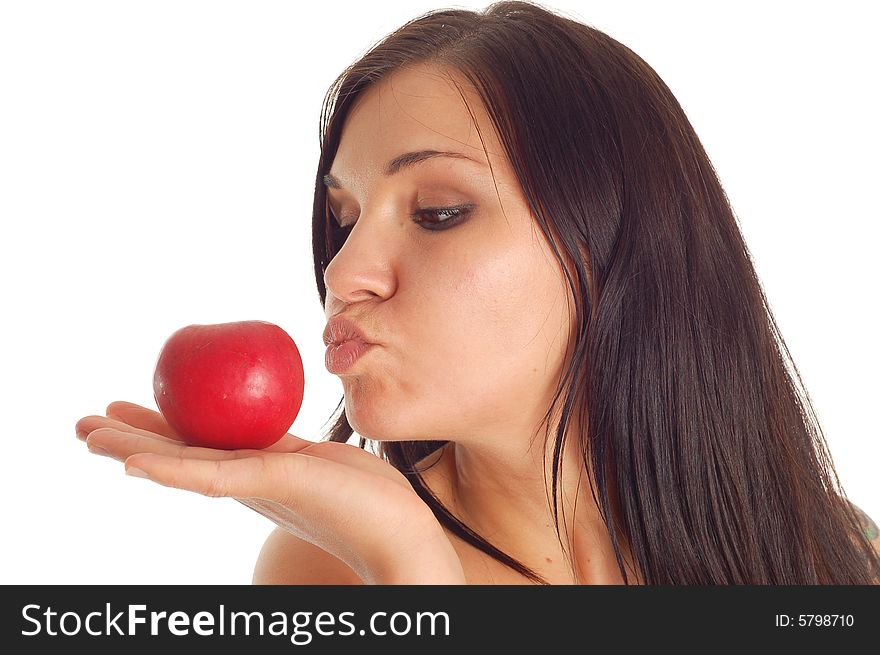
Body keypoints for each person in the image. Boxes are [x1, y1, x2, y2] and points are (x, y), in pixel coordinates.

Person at [75, 0, 880, 585]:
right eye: (344, 221)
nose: (341, 272)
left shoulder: (835, 554)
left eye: (438, 212)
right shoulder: (328, 572)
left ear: (608, 247)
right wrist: (410, 566)